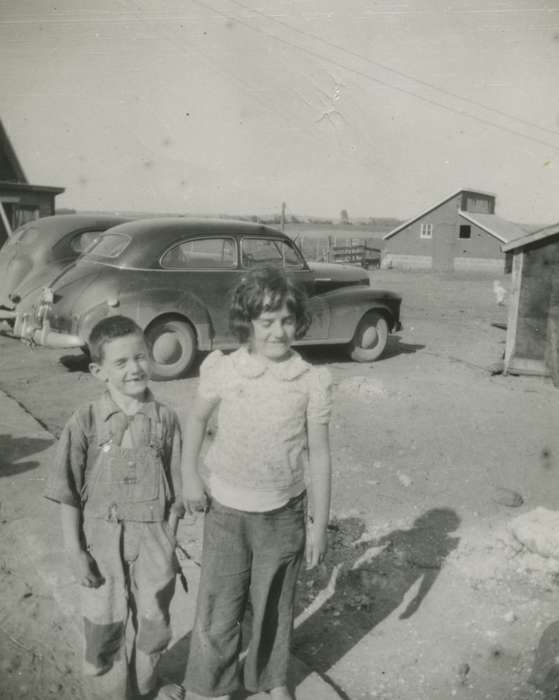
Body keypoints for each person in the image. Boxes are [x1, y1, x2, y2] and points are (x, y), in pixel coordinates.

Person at [182, 265, 333, 700]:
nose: (278, 331)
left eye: (287, 320)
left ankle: (271, 680)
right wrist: (190, 474)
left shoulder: (310, 381)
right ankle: (208, 685)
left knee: (274, 607)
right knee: (218, 606)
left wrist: (317, 526)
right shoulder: (224, 370)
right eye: (267, 322)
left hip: (282, 516)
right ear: (247, 322)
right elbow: (196, 419)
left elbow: (319, 455)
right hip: (225, 511)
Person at [44, 315, 185, 700]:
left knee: (155, 619)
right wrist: (75, 551)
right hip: (101, 542)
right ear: (98, 371)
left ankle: (147, 685)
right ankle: (110, 692)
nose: (135, 368)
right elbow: (67, 492)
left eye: (139, 357)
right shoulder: (85, 421)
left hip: (154, 539)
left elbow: (177, 489)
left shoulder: (166, 419)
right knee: (103, 622)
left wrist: (169, 539)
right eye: (120, 362)